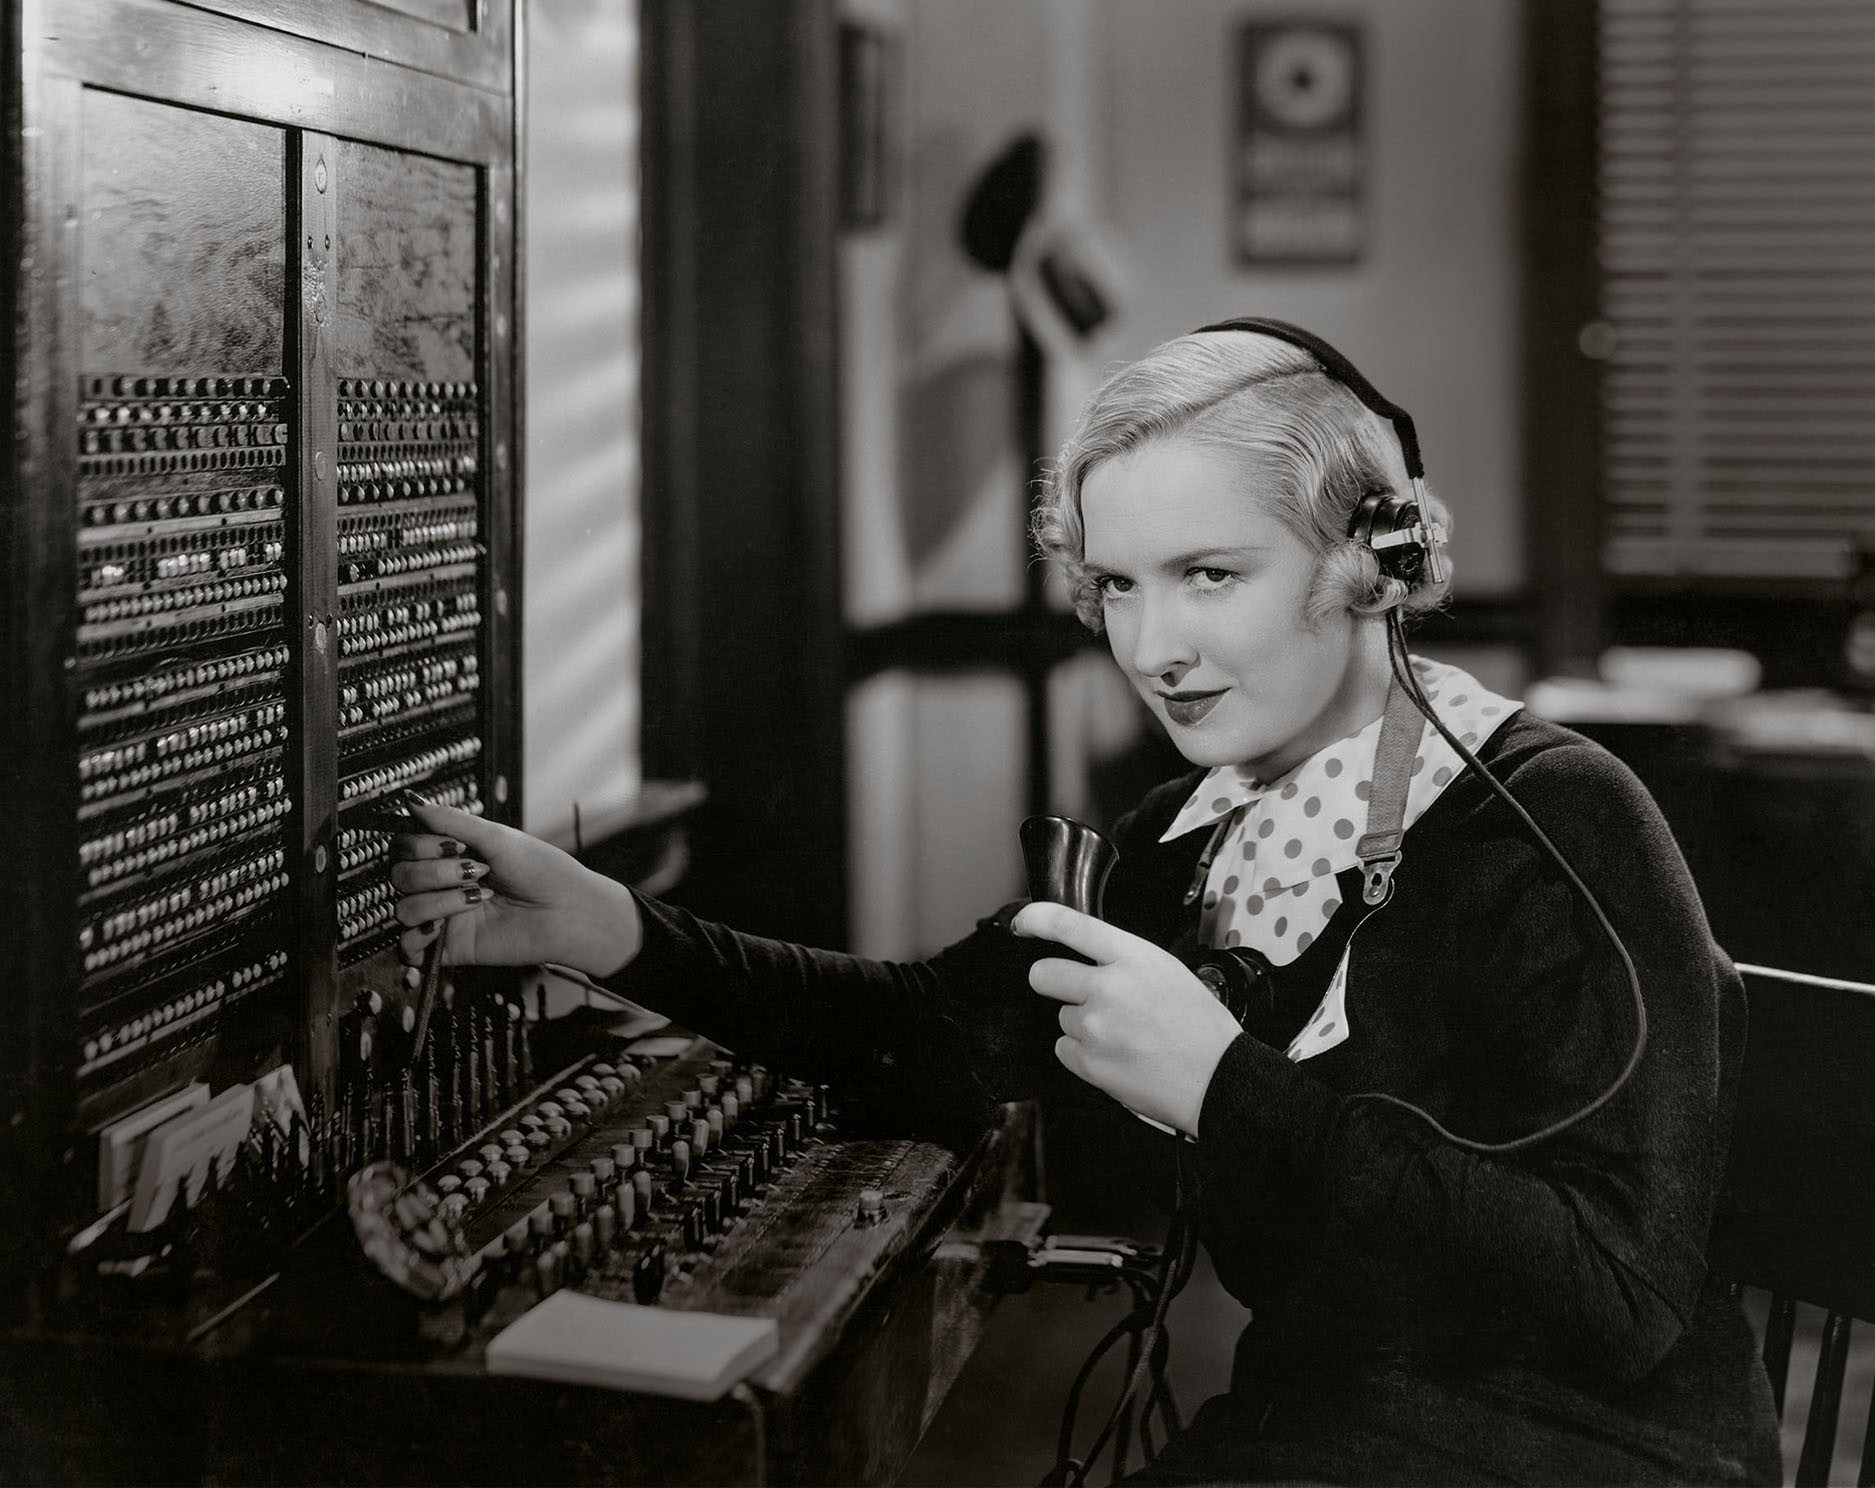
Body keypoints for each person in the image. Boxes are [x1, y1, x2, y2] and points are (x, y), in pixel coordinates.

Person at [388, 321, 1782, 1485]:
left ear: (1373, 565)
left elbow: (1618, 1302)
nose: (1153, 647)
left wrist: (1223, 1087)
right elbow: (929, 1027)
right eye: (1116, 586)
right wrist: (615, 931)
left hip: (1588, 1457)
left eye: (1210, 576)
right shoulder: (1190, 838)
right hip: (1322, 1432)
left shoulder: (1561, 820)